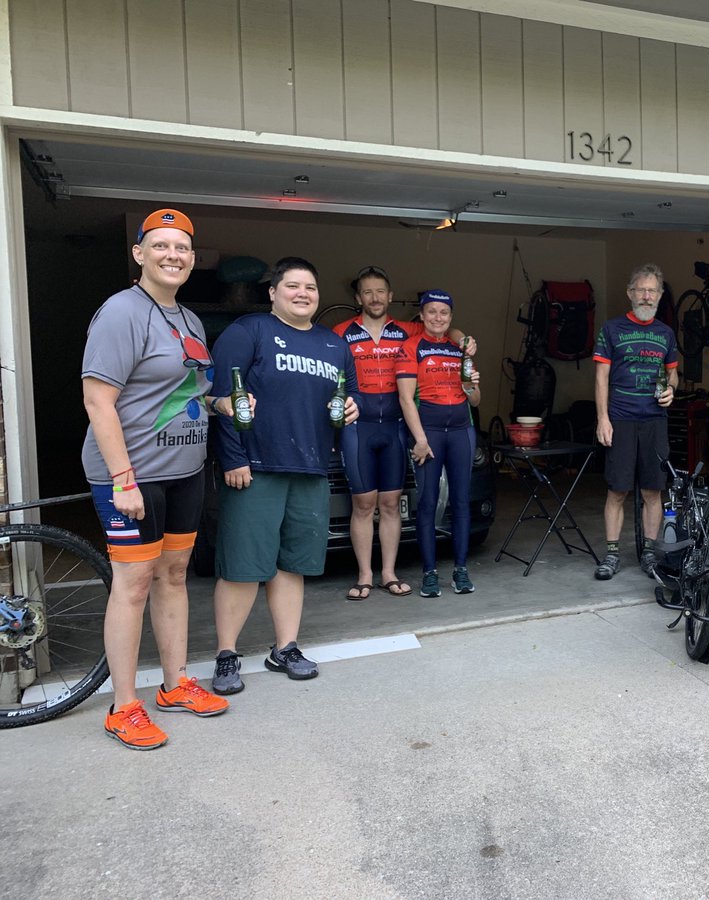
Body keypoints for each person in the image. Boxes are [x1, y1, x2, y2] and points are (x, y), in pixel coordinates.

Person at [82, 208, 245, 750]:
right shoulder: (121, 313)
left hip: (184, 470)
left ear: (193, 259)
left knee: (173, 575)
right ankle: (123, 705)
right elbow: (98, 400)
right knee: (133, 584)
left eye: (182, 248)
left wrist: (224, 403)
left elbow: (189, 395)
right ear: (139, 254)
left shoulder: (189, 320)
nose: (173, 255)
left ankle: (174, 685)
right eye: (161, 246)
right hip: (132, 475)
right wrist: (123, 479)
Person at [207, 257, 360, 693]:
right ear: (272, 292)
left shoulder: (334, 346)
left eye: (310, 287)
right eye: (292, 285)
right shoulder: (249, 331)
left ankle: (285, 648)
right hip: (255, 469)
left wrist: (352, 410)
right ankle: (226, 654)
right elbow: (221, 398)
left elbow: (344, 400)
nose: (302, 293)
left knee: (293, 565)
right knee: (242, 567)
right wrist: (233, 458)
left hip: (310, 469)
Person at [333, 266, 474, 601]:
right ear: (358, 298)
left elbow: (443, 327)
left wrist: (464, 339)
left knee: (392, 502)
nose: (375, 297)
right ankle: (365, 575)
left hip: (396, 425)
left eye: (380, 291)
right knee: (363, 503)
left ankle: (389, 573)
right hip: (359, 424)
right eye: (367, 292)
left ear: (390, 296)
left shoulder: (408, 330)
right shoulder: (340, 332)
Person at [593, 263, 679, 580]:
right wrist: (603, 418)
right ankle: (612, 554)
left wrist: (671, 389)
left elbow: (673, 372)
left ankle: (650, 554)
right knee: (617, 490)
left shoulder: (665, 333)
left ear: (659, 295)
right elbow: (601, 378)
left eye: (652, 290)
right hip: (621, 418)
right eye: (641, 290)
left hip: (655, 419)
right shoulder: (611, 329)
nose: (646, 296)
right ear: (630, 293)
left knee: (653, 491)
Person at [397, 289, 481, 598]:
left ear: (450, 317)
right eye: (431, 312)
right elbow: (406, 399)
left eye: (443, 313)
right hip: (428, 432)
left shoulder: (459, 350)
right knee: (429, 503)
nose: (437, 318)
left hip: (461, 431)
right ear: (422, 315)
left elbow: (475, 398)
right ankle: (429, 572)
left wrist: (472, 387)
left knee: (461, 500)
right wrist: (419, 440)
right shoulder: (411, 348)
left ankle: (461, 569)